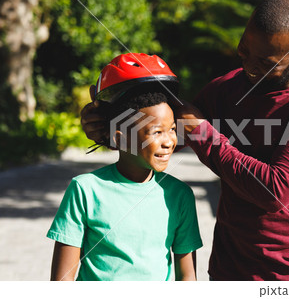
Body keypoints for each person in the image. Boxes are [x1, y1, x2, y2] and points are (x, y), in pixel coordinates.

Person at [81, 0, 289, 281]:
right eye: (244, 50)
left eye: (266, 62)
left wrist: (202, 132)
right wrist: (108, 128)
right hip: (229, 272)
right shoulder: (226, 89)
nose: (249, 66)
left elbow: (275, 190)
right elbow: (161, 138)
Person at [48, 53, 203, 281]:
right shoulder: (85, 190)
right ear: (120, 139)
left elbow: (187, 277)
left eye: (172, 129)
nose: (170, 141)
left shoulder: (180, 196)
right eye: (157, 132)